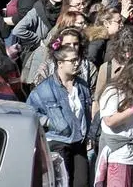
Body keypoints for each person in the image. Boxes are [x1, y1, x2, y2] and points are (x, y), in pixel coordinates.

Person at [26, 45, 91, 187]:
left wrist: (89, 134)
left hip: (78, 141)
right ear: (60, 63)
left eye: (77, 60)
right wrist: (49, 121)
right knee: (62, 183)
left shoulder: (83, 86)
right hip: (58, 140)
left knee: (82, 182)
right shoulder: (44, 89)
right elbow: (30, 111)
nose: (76, 63)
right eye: (72, 60)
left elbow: (87, 111)